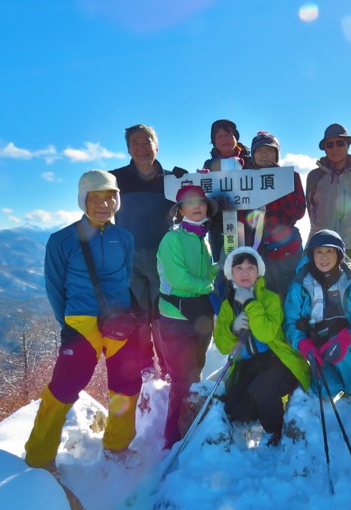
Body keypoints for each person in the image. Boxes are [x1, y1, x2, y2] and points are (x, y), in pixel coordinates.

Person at [25, 170, 140, 468]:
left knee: (126, 386)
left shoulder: (124, 237)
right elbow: (55, 287)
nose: (104, 204)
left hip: (120, 321)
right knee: (63, 389)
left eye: (110, 196)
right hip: (80, 322)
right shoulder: (62, 239)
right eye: (96, 197)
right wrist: (69, 323)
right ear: (83, 200)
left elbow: (125, 277)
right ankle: (39, 457)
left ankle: (117, 446)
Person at [110, 123, 186, 381]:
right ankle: (144, 365)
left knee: (163, 315)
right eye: (135, 143)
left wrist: (190, 181)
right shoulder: (115, 179)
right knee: (138, 314)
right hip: (127, 257)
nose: (142, 148)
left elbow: (194, 207)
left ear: (157, 145)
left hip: (161, 257)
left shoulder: (172, 180)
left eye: (147, 142)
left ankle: (167, 366)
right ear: (128, 149)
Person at [215, 247, 310, 446]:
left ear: (258, 272)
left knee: (261, 389)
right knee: (237, 410)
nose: (245, 273)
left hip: (279, 360)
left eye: (251, 267)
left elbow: (266, 333)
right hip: (250, 364)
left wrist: (249, 302)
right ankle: (265, 406)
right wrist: (232, 328)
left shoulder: (270, 299)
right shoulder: (227, 306)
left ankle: (275, 432)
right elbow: (223, 347)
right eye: (239, 268)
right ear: (231, 273)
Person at [156, 185, 219, 449]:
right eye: (190, 203)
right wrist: (214, 285)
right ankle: (173, 439)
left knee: (195, 374)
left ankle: (190, 428)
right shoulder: (173, 239)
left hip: (200, 316)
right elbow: (179, 279)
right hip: (175, 317)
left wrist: (222, 270)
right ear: (180, 210)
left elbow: (206, 273)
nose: (197, 207)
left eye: (201, 203)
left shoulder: (201, 238)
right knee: (183, 379)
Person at [284, 229, 351, 397]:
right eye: (319, 251)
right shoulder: (300, 285)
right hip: (316, 346)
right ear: (312, 254)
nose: (324, 257)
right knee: (326, 391)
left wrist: (347, 337)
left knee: (344, 355)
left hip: (346, 342)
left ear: (339, 255)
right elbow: (290, 323)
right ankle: (334, 375)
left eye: (330, 251)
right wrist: (303, 345)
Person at [306, 123, 351, 291]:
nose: (335, 148)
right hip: (320, 245)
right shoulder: (314, 176)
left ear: (348, 145)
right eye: (330, 144)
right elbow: (310, 207)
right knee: (317, 294)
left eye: (340, 143)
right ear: (325, 148)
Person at [245, 131, 306, 301]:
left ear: (277, 154)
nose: (264, 155)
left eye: (270, 150)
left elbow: (298, 212)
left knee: (287, 296)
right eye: (259, 151)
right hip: (255, 246)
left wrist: (278, 182)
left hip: (286, 248)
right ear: (252, 154)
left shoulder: (290, 177)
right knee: (259, 297)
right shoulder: (242, 178)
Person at [203, 119, 251, 262]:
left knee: (247, 267)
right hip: (218, 227)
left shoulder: (250, 162)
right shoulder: (209, 164)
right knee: (221, 269)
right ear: (214, 141)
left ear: (236, 137)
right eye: (219, 136)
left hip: (248, 225)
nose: (224, 139)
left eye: (228, 134)